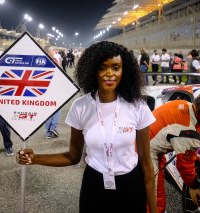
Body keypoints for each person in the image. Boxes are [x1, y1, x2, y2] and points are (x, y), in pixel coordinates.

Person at [17, 41, 157, 213]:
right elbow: (73, 156)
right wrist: (35, 158)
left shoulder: (137, 106)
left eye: (115, 67)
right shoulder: (81, 107)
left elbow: (146, 164)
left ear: (124, 70)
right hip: (94, 185)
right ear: (92, 70)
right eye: (102, 67)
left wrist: (155, 209)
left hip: (130, 186)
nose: (109, 74)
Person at [43, 45, 61, 139]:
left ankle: (48, 132)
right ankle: (53, 127)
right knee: (56, 107)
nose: (54, 52)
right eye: (52, 50)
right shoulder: (48, 62)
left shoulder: (54, 60)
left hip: (53, 88)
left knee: (50, 109)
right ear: (47, 52)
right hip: (49, 88)